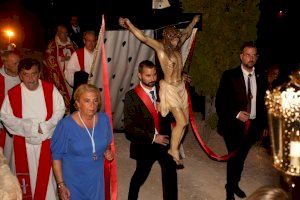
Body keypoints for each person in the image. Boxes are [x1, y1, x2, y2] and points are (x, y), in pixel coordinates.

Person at [119, 15, 200, 164]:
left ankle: (174, 146)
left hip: (181, 87)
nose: (176, 41)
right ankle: (173, 149)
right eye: (174, 39)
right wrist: (129, 24)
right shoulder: (161, 48)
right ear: (168, 38)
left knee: (185, 122)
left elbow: (187, 33)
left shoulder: (177, 46)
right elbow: (143, 37)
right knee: (181, 122)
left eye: (177, 38)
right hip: (169, 88)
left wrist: (194, 22)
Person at [0, 58, 66, 199]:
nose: (30, 79)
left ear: (39, 73)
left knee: (48, 183)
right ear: (20, 75)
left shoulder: (50, 89)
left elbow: (60, 109)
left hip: (47, 143)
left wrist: (45, 126)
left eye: (34, 74)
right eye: (26, 74)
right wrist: (31, 127)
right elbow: (5, 117)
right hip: (23, 145)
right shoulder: (13, 94)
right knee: (25, 183)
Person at [215, 41, 267, 200]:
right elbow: (220, 102)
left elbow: (264, 103)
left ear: (256, 57)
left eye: (254, 55)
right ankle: (229, 190)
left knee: (241, 158)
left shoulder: (261, 76)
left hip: (253, 127)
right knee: (234, 158)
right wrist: (236, 113)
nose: (251, 58)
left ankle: (234, 184)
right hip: (233, 125)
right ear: (241, 56)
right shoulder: (229, 75)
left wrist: (264, 125)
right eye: (247, 54)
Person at [124, 60, 177, 200]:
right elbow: (129, 128)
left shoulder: (163, 91)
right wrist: (153, 137)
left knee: (170, 173)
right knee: (140, 176)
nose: (152, 78)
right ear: (139, 75)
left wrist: (166, 111)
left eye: (154, 74)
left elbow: (176, 116)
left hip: (165, 140)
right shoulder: (131, 96)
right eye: (148, 75)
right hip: (145, 143)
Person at [51, 84, 113, 200]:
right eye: (87, 101)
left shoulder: (104, 119)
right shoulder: (65, 125)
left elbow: (107, 143)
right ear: (78, 104)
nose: (92, 105)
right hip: (74, 179)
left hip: (97, 178)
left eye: (95, 101)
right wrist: (61, 185)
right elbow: (56, 157)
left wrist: (107, 151)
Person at [44, 25, 78, 114]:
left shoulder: (72, 43)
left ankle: (75, 110)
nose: (65, 35)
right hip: (60, 75)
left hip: (72, 73)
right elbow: (49, 59)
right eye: (62, 33)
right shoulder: (51, 45)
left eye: (66, 33)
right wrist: (61, 59)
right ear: (58, 33)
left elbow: (78, 55)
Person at [65, 30, 97, 113]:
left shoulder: (99, 54)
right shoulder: (77, 54)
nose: (91, 43)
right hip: (83, 91)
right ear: (84, 41)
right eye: (88, 41)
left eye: (93, 41)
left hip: (96, 90)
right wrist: (79, 78)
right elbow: (69, 72)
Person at [0, 51, 21, 167]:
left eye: (19, 62)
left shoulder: (24, 76)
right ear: (6, 64)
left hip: (22, 124)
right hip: (4, 127)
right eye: (15, 64)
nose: (18, 66)